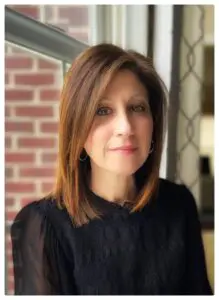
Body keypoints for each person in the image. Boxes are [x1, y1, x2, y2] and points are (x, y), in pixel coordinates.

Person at [10, 43, 212, 295]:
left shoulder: (179, 204)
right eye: (102, 110)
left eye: (137, 108)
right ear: (77, 129)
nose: (125, 127)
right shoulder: (42, 225)